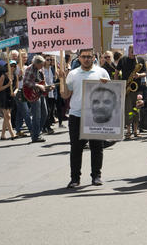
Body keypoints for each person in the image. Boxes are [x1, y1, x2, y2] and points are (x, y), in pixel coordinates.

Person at [59, 49, 111, 189]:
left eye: (89, 56)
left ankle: (96, 176)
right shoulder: (73, 74)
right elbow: (65, 95)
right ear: (79, 58)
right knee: (76, 149)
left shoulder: (102, 72)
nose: (87, 59)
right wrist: (62, 79)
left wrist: (107, 85)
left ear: (93, 57)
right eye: (84, 57)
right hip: (77, 115)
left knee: (97, 147)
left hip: (96, 115)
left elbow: (111, 93)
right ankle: (75, 178)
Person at [115, 45, 147, 139]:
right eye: (132, 51)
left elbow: (145, 72)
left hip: (138, 88)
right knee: (128, 110)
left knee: (137, 110)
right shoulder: (123, 60)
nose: (134, 53)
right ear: (129, 51)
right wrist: (118, 85)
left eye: (135, 51)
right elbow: (117, 72)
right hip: (127, 88)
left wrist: (139, 75)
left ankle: (136, 131)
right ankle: (128, 131)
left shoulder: (140, 60)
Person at [23, 55, 51, 143]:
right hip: (33, 94)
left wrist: (48, 87)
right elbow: (26, 82)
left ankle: (37, 132)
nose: (42, 66)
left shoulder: (40, 69)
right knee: (36, 116)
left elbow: (42, 82)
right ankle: (35, 136)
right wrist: (38, 85)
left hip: (40, 93)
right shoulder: (29, 69)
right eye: (41, 65)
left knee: (45, 113)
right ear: (36, 64)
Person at [0, 61, 17, 140]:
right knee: (8, 116)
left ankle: (2, 135)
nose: (13, 67)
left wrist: (14, 92)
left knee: (6, 117)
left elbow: (17, 87)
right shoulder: (3, 76)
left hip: (10, 97)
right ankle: (12, 134)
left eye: (14, 66)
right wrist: (8, 85)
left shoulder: (15, 76)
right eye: (11, 65)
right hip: (3, 97)